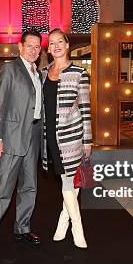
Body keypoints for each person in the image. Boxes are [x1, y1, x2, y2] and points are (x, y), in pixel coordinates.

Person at [0, 30, 43, 258]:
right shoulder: (9, 69)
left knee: (29, 187)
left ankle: (22, 228)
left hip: (34, 135)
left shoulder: (38, 73)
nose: (34, 50)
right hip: (12, 136)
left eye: (37, 47)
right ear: (20, 46)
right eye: (30, 46)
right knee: (3, 189)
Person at [41, 28, 92, 249]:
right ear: (48, 48)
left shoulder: (79, 72)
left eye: (59, 41)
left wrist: (87, 140)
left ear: (67, 44)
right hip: (49, 136)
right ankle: (63, 222)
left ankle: (76, 229)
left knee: (67, 181)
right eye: (51, 43)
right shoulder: (43, 72)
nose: (56, 46)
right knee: (68, 181)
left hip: (71, 136)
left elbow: (85, 108)